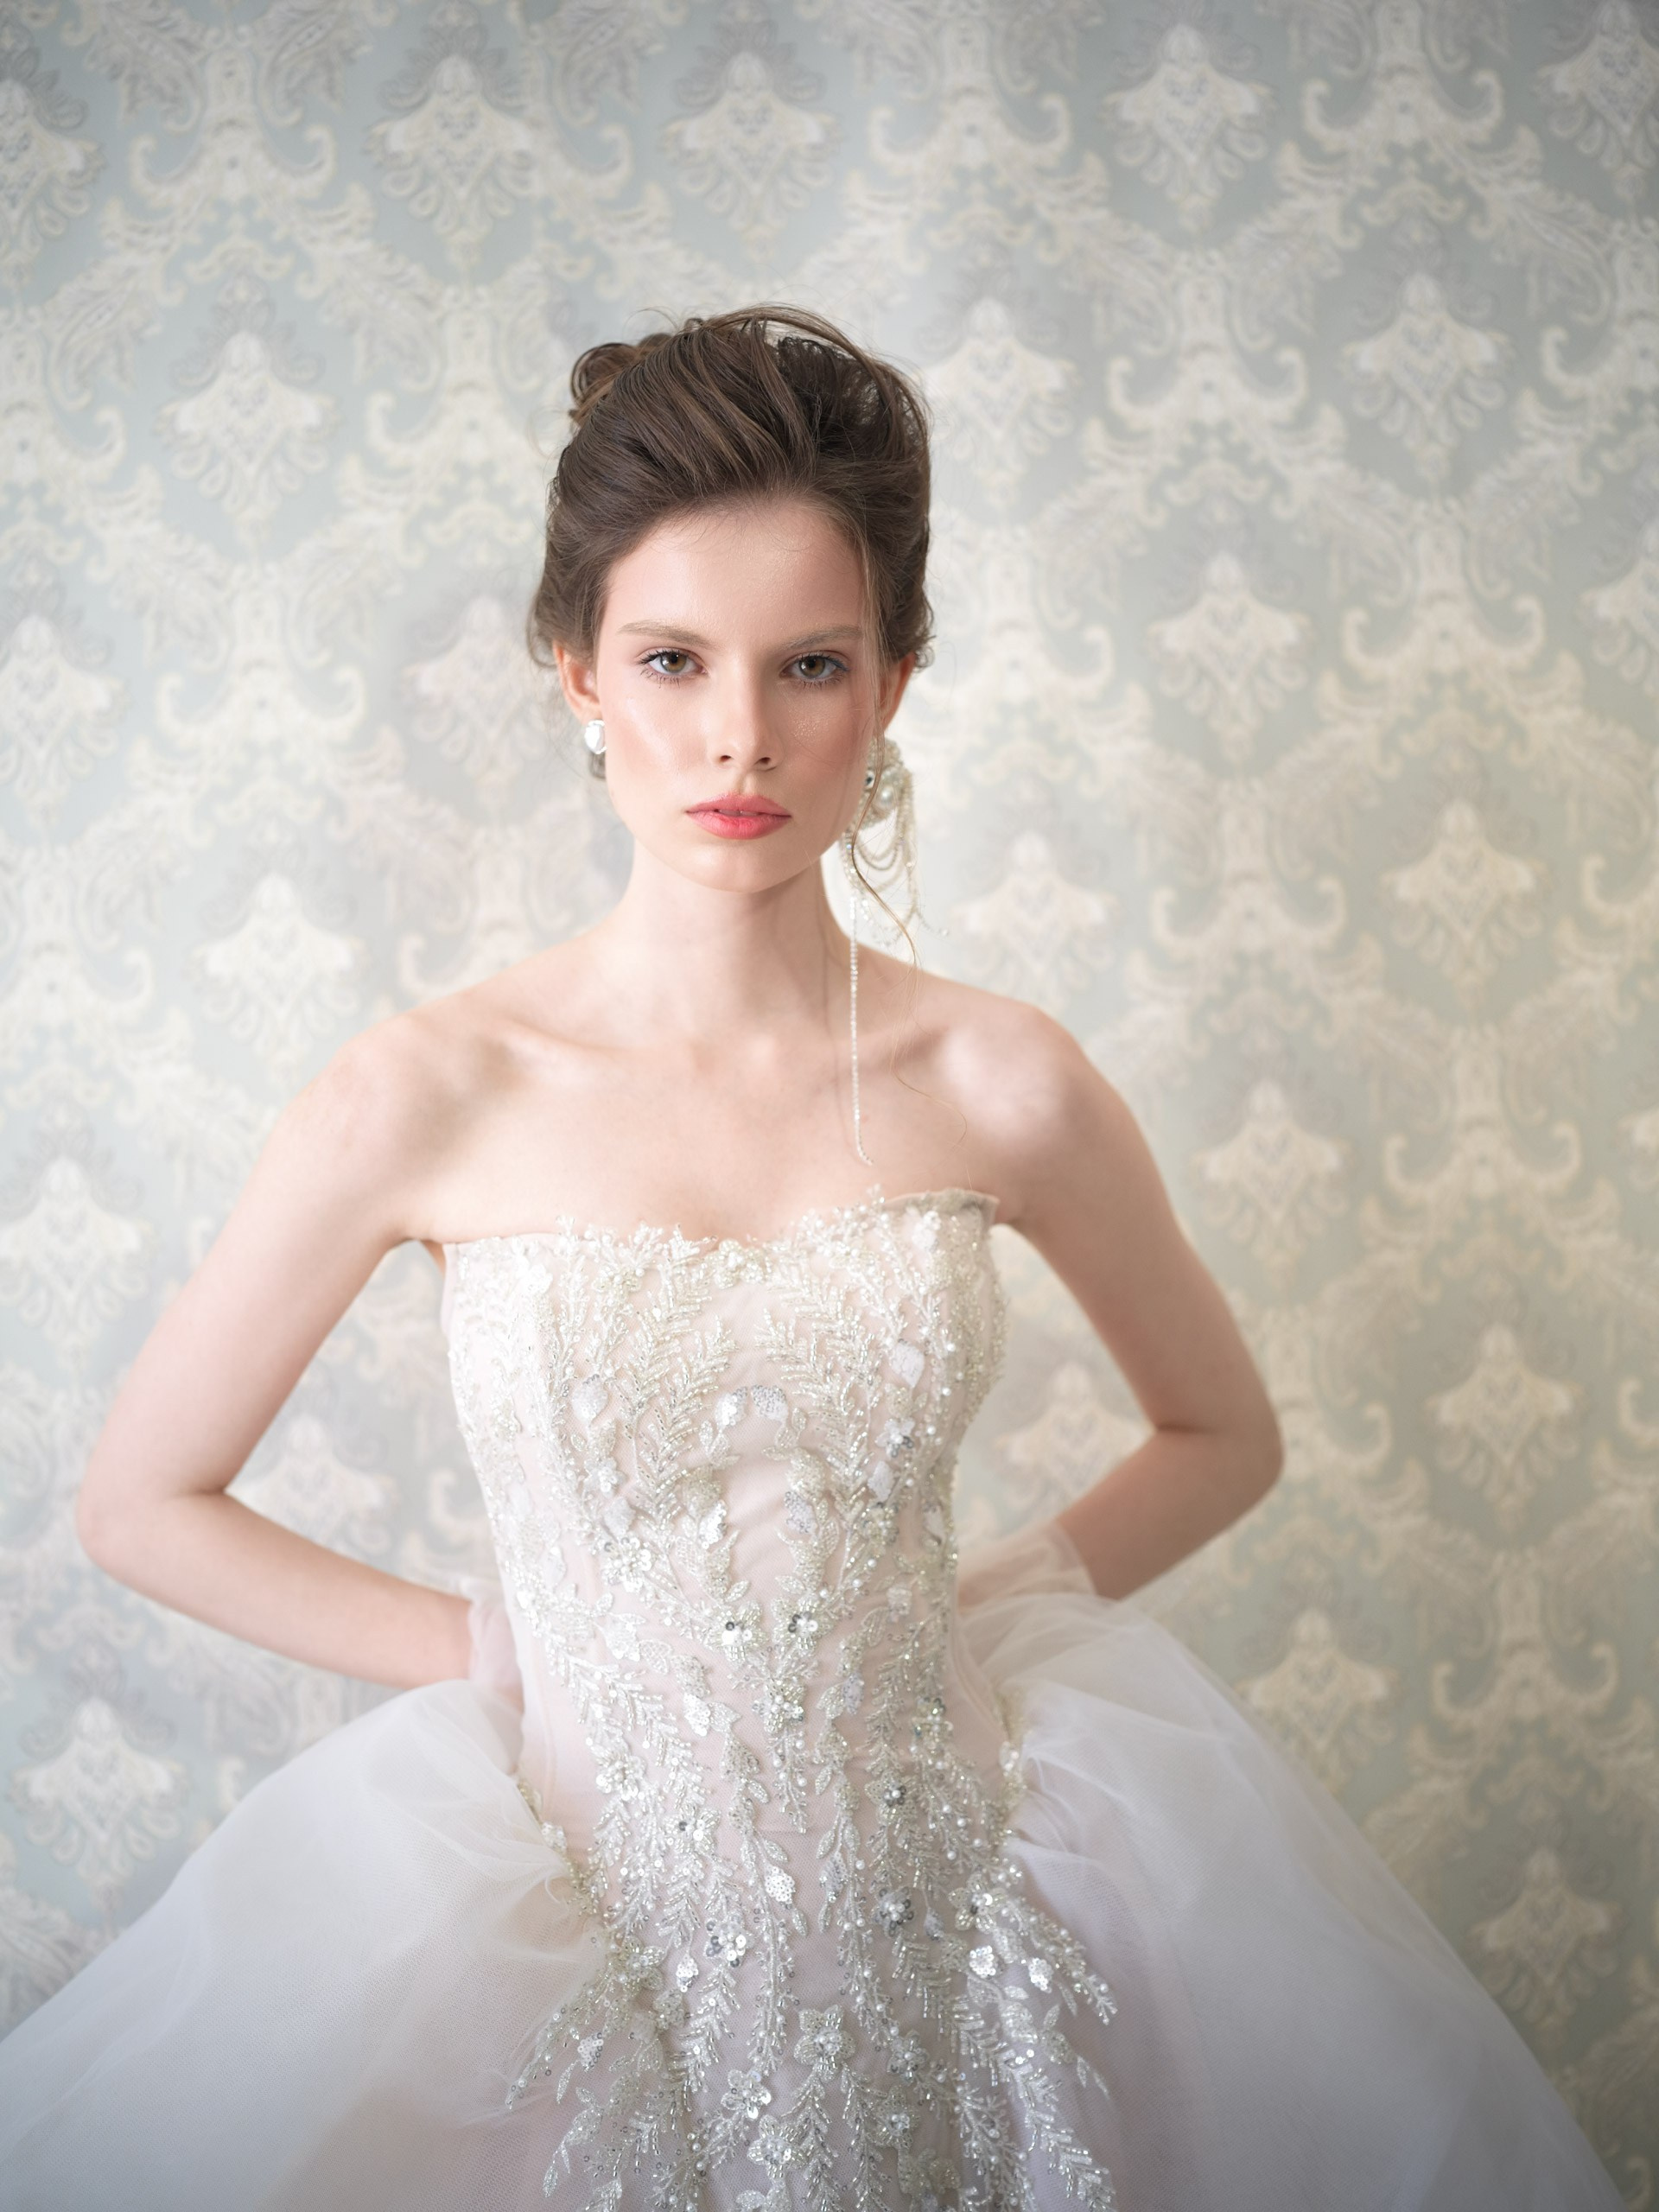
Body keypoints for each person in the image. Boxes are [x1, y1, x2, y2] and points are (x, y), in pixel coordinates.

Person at [0, 307, 1622, 2212]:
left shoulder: (1001, 1078)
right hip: (566, 1922)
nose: (741, 737)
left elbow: (1221, 1433)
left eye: (812, 665)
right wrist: (487, 1647)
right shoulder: (426, 1092)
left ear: (895, 682)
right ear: (575, 669)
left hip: (965, 1908)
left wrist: (983, 1600)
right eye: (671, 660)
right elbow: (139, 1501)